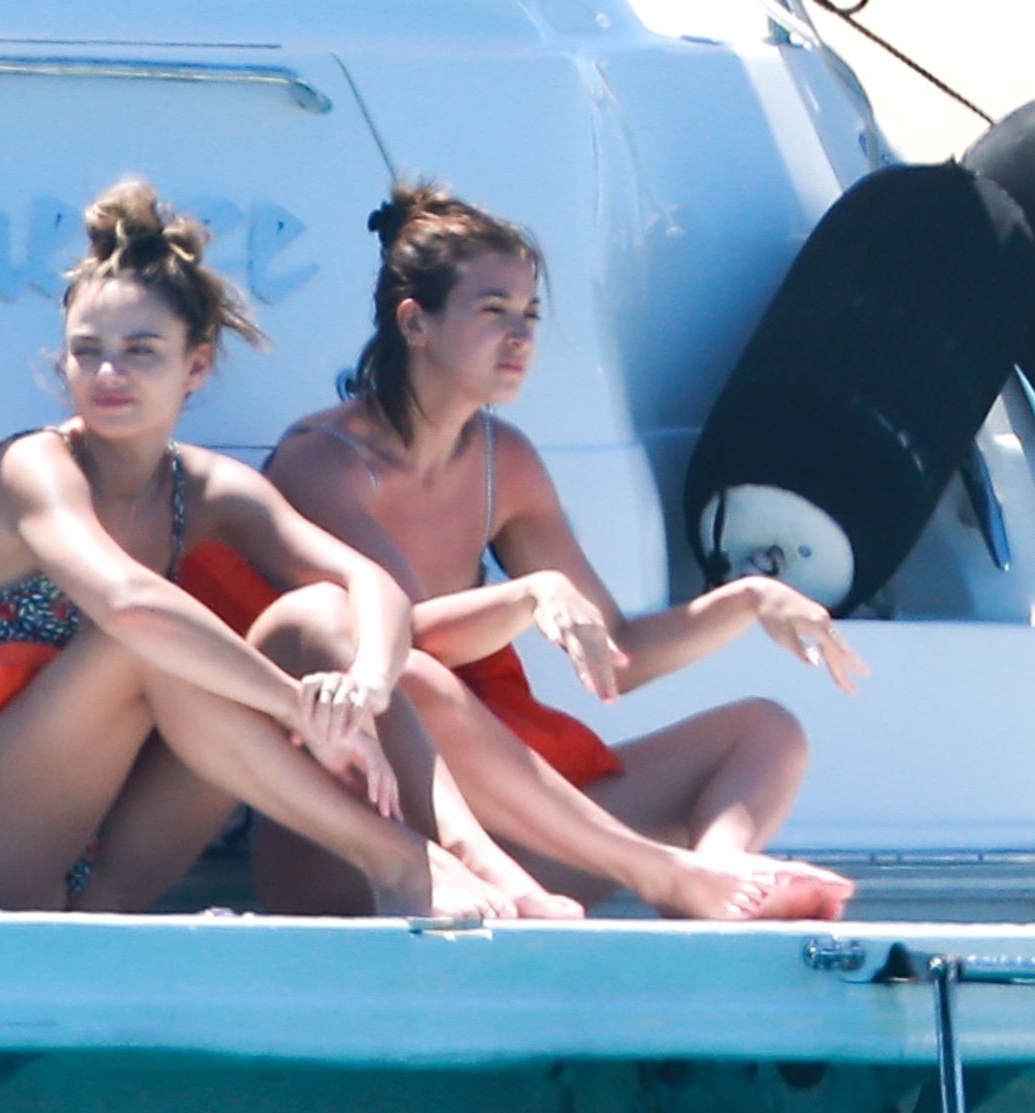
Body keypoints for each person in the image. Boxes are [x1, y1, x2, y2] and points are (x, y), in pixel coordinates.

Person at [0, 178, 541, 918]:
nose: (108, 374)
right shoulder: (32, 467)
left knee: (315, 615)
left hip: (115, 863)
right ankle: (398, 862)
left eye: (140, 351)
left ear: (196, 365)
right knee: (137, 640)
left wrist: (365, 688)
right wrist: (295, 708)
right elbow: (130, 606)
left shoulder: (204, 488)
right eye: (86, 352)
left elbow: (373, 586)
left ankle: (467, 850)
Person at [255, 181, 867, 920]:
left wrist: (745, 600)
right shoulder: (322, 461)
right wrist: (528, 593)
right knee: (415, 677)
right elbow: (401, 648)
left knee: (767, 730)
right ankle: (662, 873)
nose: (520, 337)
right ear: (415, 322)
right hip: (363, 836)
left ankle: (719, 878)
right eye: (494, 311)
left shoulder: (504, 460)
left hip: (510, 827)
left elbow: (616, 656)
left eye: (530, 315)